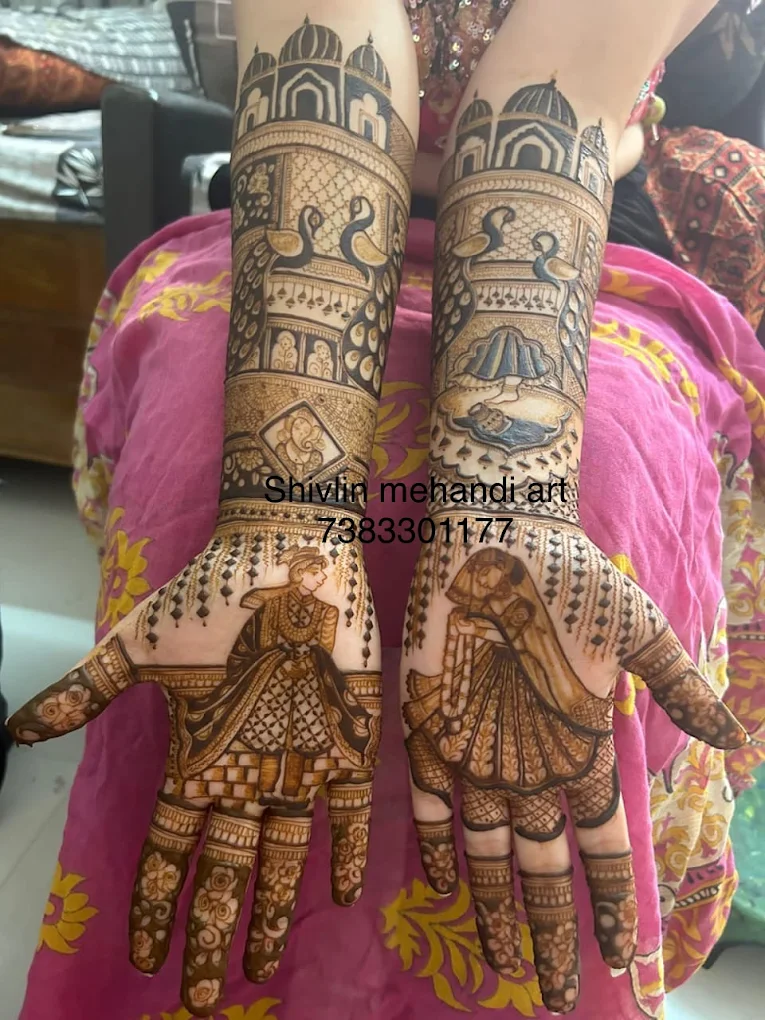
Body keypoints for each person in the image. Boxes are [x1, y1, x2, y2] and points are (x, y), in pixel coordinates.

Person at [6, 2, 765, 1019]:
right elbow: (321, 57)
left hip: (584, 221)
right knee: (201, 527)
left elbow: (555, 95)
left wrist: (503, 513)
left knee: (598, 524)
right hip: (292, 213)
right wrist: (284, 520)